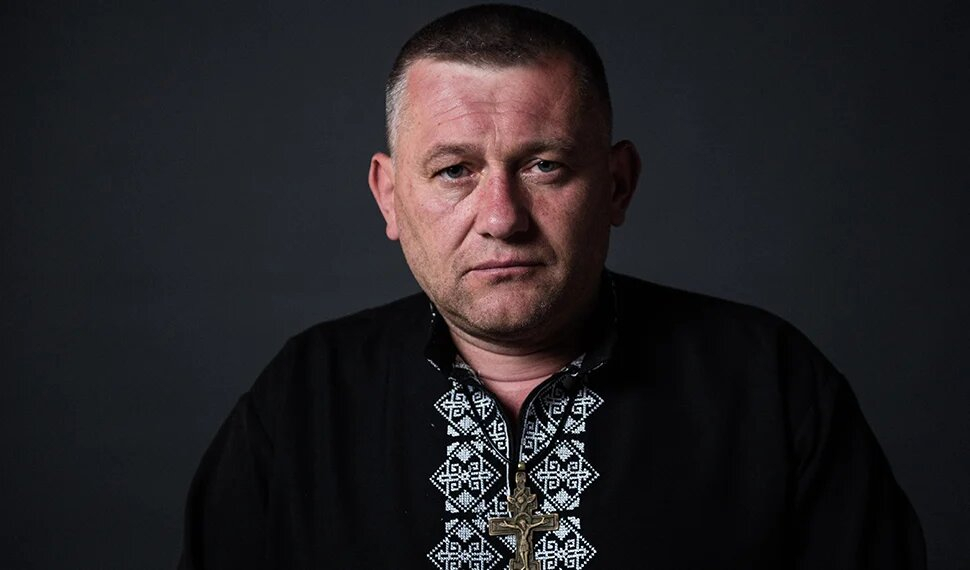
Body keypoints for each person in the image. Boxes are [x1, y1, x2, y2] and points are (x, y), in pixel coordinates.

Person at [178, 5, 925, 569]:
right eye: (454, 171)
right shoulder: (302, 399)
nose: (502, 218)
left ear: (617, 185)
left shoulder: (771, 384)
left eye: (545, 166)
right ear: (390, 197)